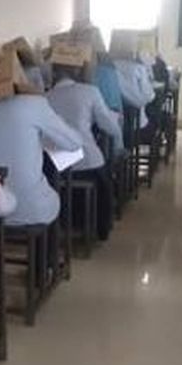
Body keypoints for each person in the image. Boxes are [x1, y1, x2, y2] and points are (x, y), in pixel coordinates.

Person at [0, 90, 83, 227]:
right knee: (50, 193)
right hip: (36, 210)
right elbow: (74, 142)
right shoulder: (33, 105)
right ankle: (44, 246)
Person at [47, 57, 124, 241]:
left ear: (54, 72)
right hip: (87, 164)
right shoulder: (90, 91)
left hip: (55, 167)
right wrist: (117, 120)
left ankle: (66, 223)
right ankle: (100, 229)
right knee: (104, 174)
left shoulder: (45, 96)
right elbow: (109, 127)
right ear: (81, 71)